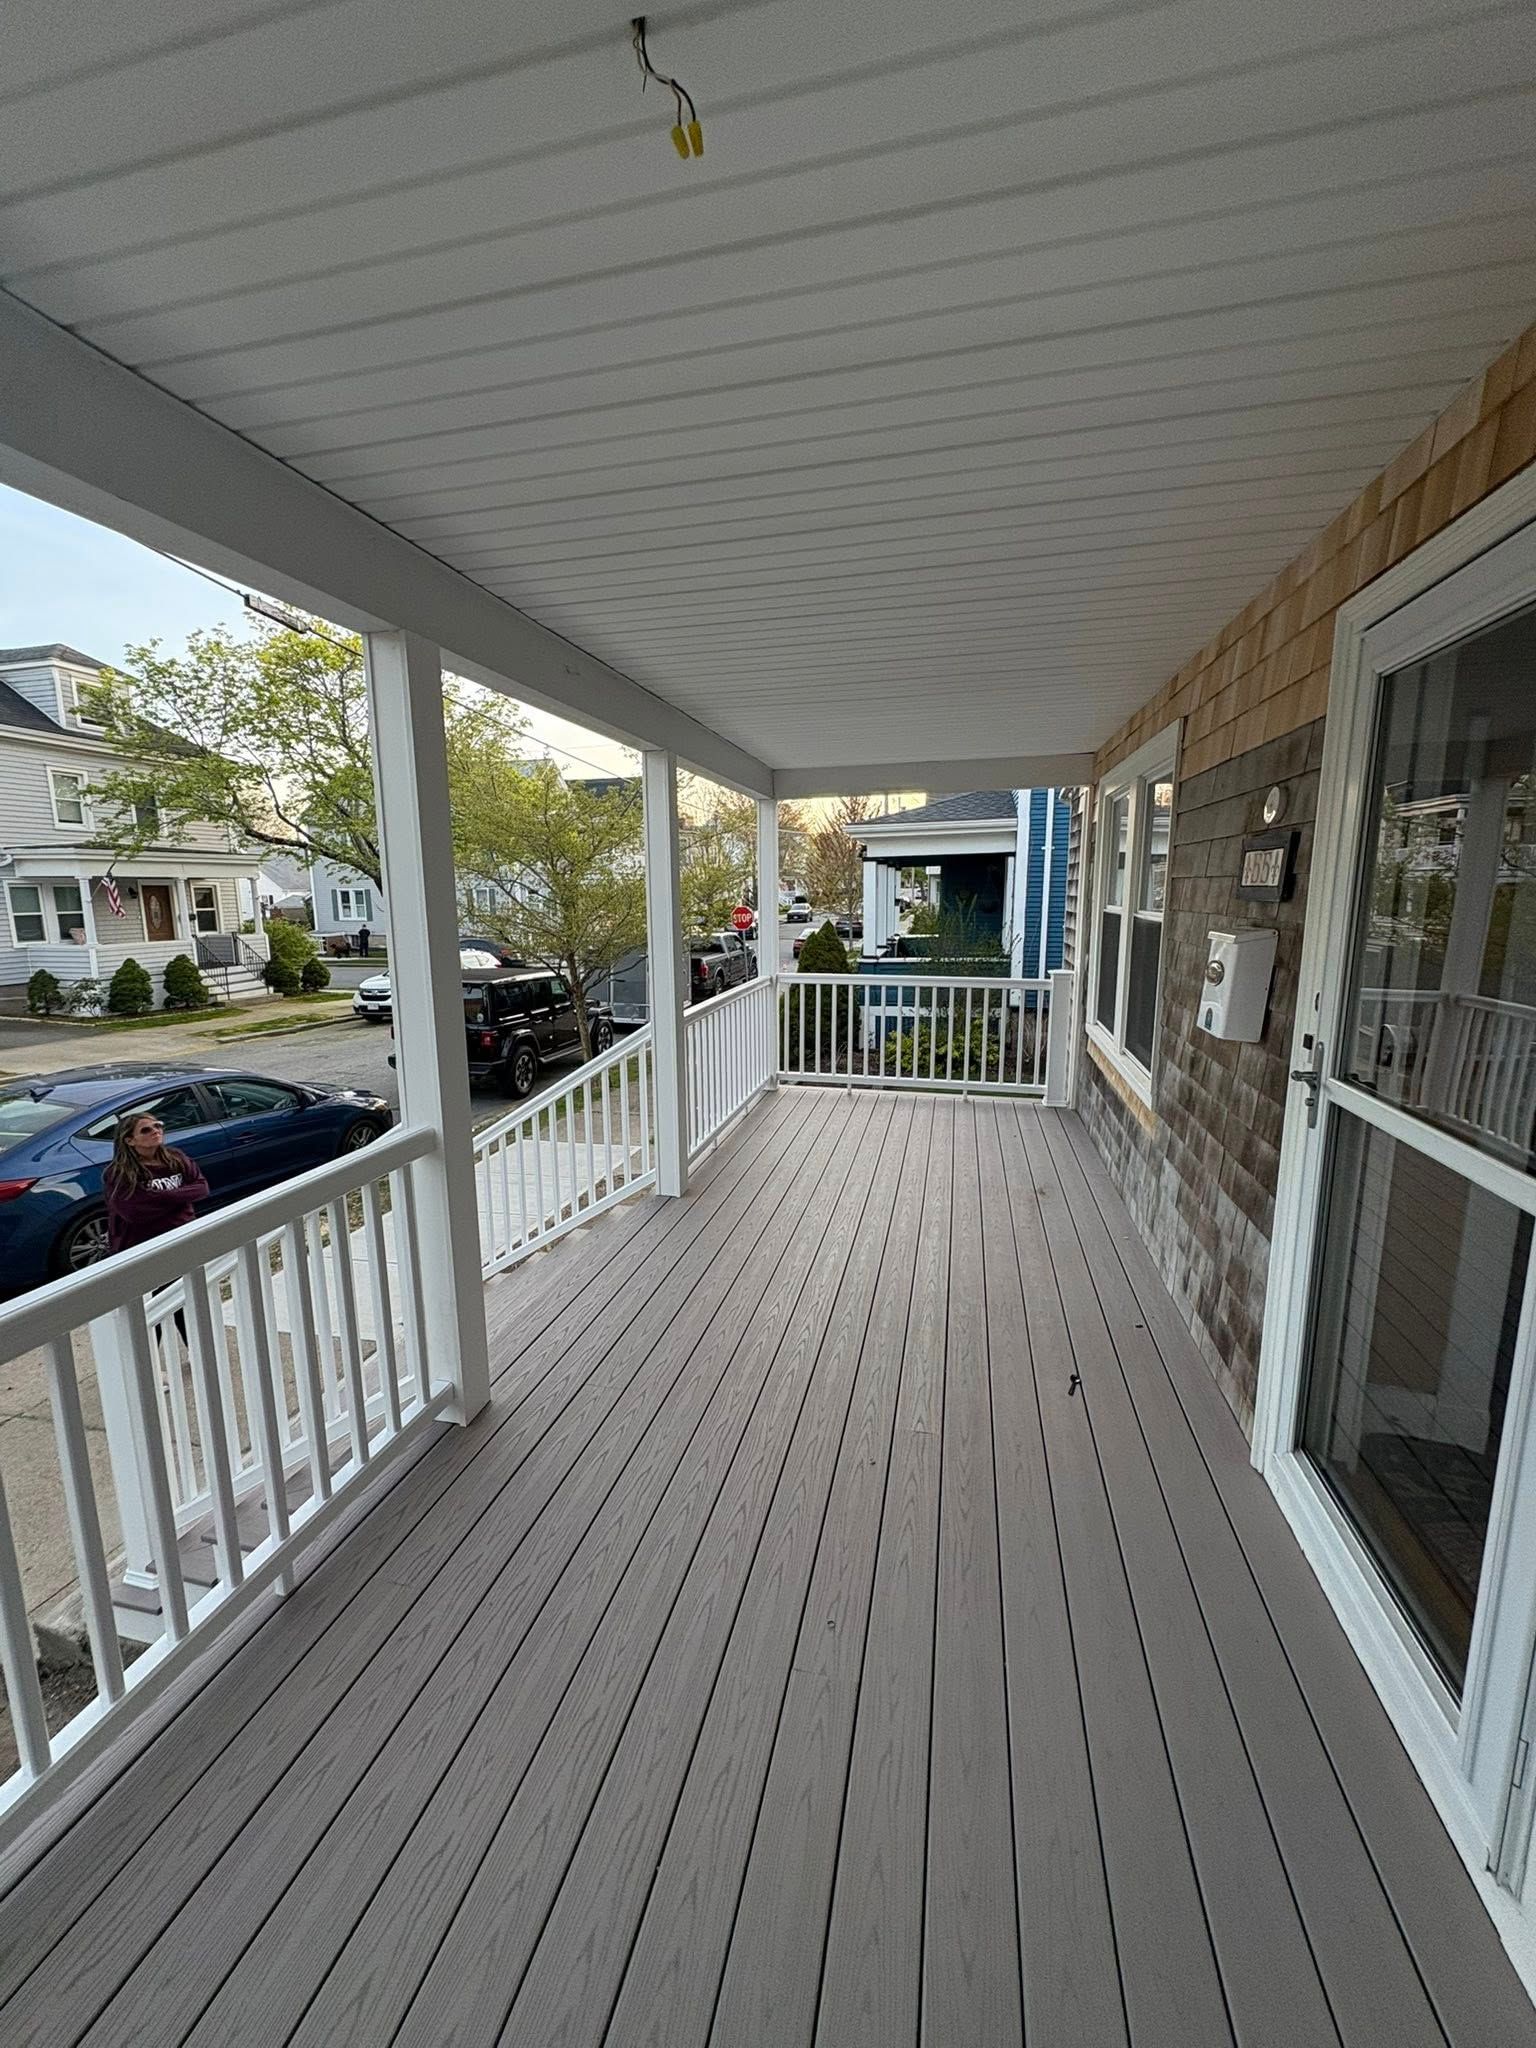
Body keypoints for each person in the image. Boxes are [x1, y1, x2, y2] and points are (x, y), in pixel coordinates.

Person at [104, 1112, 210, 1257]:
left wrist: (155, 1197)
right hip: (143, 1245)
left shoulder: (176, 1157)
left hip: (183, 1232)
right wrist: (181, 1198)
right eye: (145, 1130)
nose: (155, 1131)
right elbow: (133, 1213)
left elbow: (201, 1188)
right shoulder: (120, 1172)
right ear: (130, 1141)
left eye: (158, 1125)